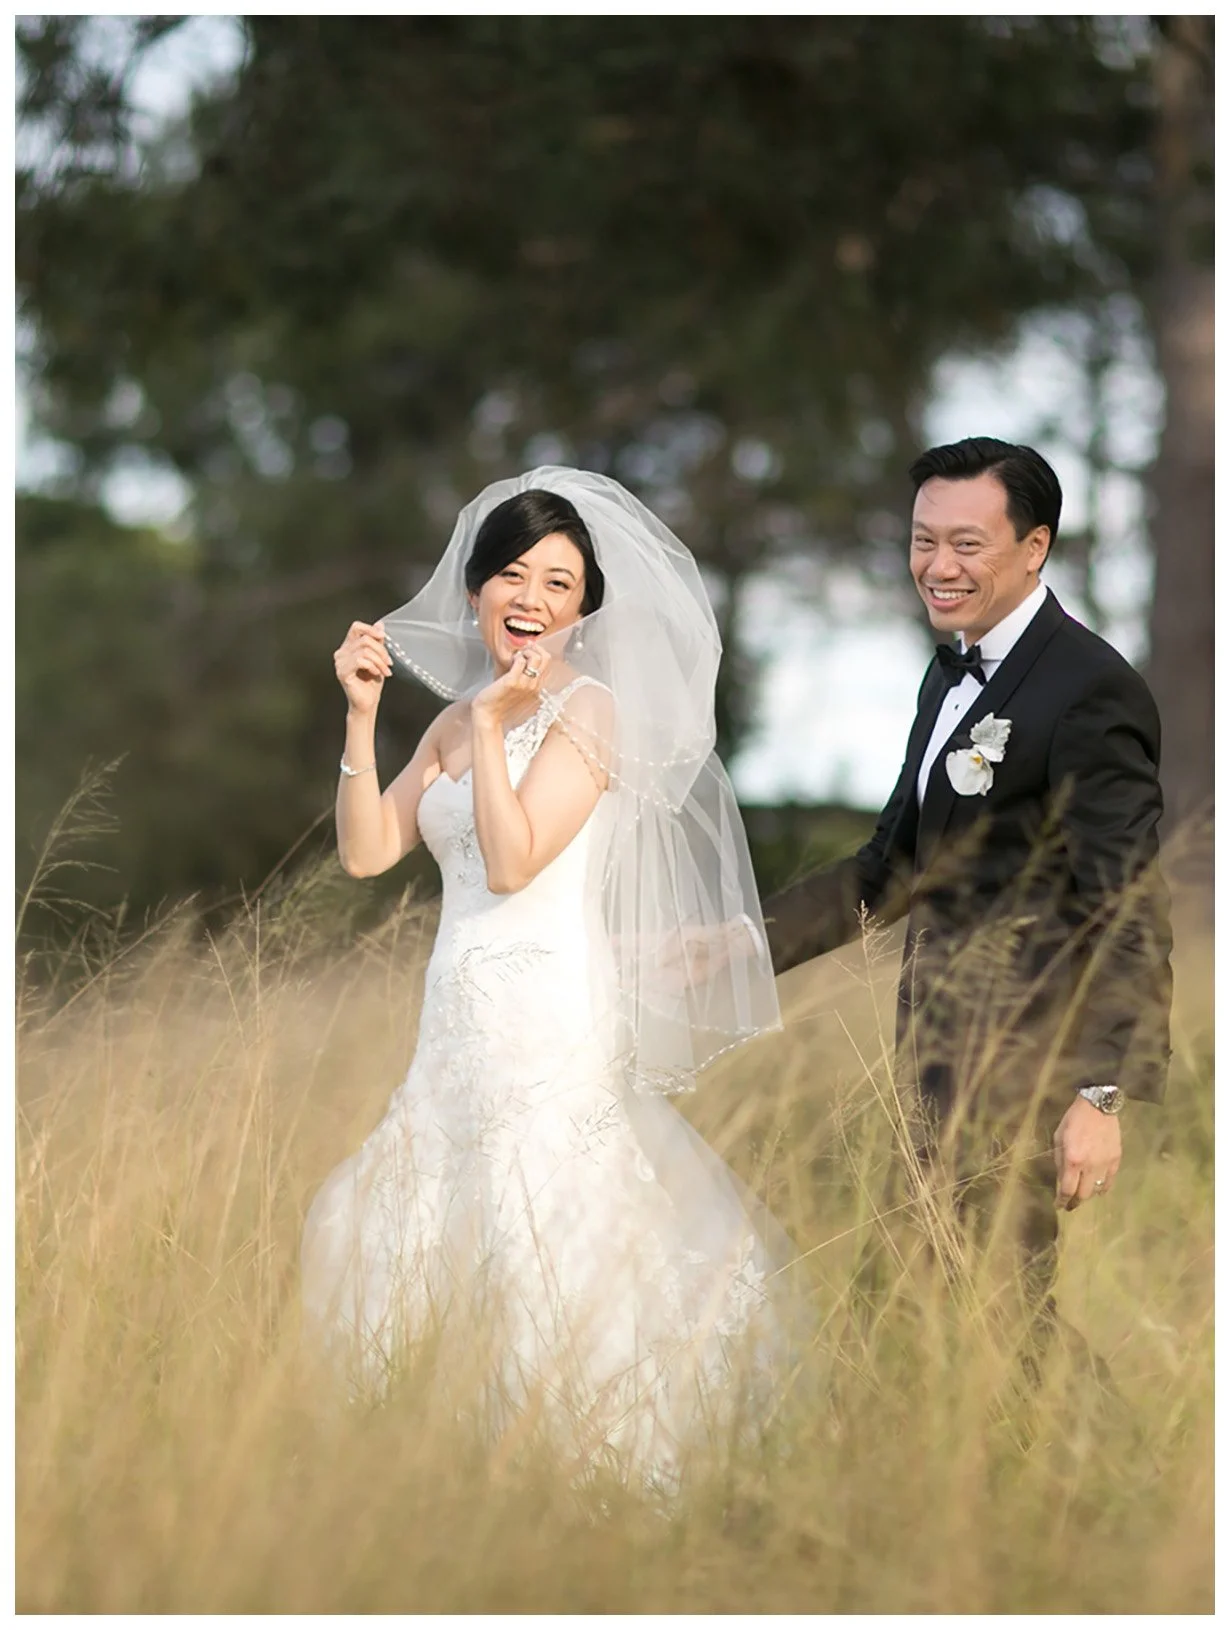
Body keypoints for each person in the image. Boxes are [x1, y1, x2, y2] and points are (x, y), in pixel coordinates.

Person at [301, 467, 794, 1493]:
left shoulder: (591, 713)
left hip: (549, 1007)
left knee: (542, 1215)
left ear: (583, 609)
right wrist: (360, 716)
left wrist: (489, 731)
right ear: (476, 589)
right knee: (417, 1206)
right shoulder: (452, 717)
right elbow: (367, 849)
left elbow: (516, 859)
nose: (531, 600)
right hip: (454, 1019)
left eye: (559, 585)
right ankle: (436, 1464)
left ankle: (584, 1467)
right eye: (513, 576)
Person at [761, 436, 1172, 1368]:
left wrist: (1099, 1095)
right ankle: (1043, 1489)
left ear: (1035, 548)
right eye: (922, 541)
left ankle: (1113, 1490)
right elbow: (892, 869)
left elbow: (1129, 905)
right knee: (955, 1304)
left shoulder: (1090, 688)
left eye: (967, 545)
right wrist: (742, 945)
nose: (937, 567)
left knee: (995, 1304)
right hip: (935, 1053)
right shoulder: (950, 670)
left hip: (1028, 1063)